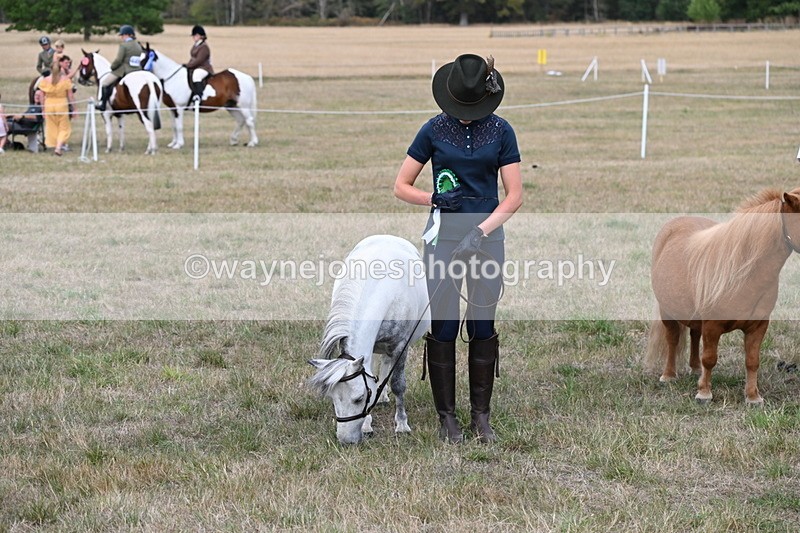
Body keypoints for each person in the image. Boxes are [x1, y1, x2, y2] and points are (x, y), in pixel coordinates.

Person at [393, 53, 523, 444]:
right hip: (443, 240)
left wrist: (480, 232)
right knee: (444, 326)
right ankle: (446, 417)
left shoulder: (502, 131)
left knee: (482, 325)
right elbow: (401, 186)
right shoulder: (432, 130)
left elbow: (514, 196)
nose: (465, 116)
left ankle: (481, 417)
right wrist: (432, 198)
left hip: (487, 240)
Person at [96, 25, 142, 111]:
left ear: (128, 35)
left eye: (123, 35)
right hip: (137, 70)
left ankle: (103, 104)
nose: (121, 37)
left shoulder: (124, 45)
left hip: (124, 70)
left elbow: (118, 60)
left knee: (104, 83)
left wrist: (112, 67)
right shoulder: (138, 45)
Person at [39, 54, 76, 156]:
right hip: (61, 104)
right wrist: (74, 108)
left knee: (52, 126)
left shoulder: (45, 81)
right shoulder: (65, 80)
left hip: (49, 105)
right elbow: (70, 96)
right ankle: (59, 146)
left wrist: (43, 109)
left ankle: (56, 145)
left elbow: (42, 96)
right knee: (64, 127)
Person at [185, 25, 214, 102]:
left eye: (195, 35)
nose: (193, 37)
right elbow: (193, 58)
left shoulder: (204, 47)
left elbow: (199, 60)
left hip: (204, 68)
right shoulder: (196, 45)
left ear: (200, 36)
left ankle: (199, 95)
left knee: (196, 75)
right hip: (197, 67)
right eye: (193, 35)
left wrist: (188, 65)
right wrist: (186, 65)